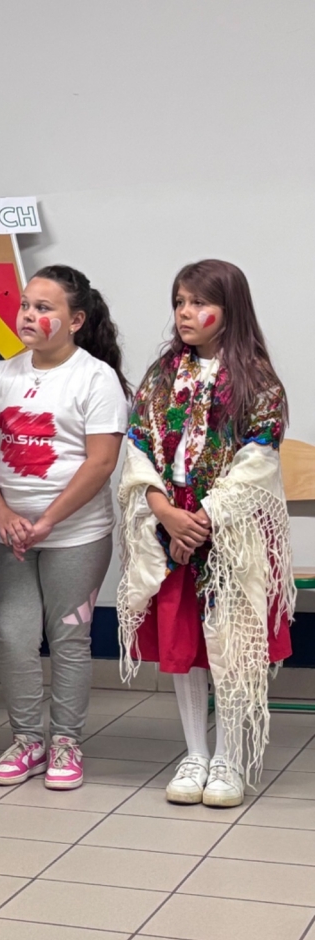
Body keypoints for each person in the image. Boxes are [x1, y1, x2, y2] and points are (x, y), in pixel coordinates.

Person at [119, 259, 293, 808]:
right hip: (172, 526)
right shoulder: (161, 376)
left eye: (198, 302)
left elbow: (257, 460)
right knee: (184, 644)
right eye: (179, 302)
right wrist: (165, 512)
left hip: (231, 532)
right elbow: (139, 448)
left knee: (232, 641)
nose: (185, 313)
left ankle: (229, 757)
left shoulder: (258, 381)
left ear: (229, 308)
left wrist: (204, 519)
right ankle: (195, 752)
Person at [0, 266, 129, 790]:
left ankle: (65, 740)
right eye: (26, 305)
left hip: (76, 536)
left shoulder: (95, 378)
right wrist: (2, 515)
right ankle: (26, 740)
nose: (29, 316)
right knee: (14, 638)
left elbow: (101, 462)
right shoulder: (2, 375)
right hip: (11, 537)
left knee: (68, 639)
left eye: (45, 308)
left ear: (75, 320)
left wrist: (47, 521)